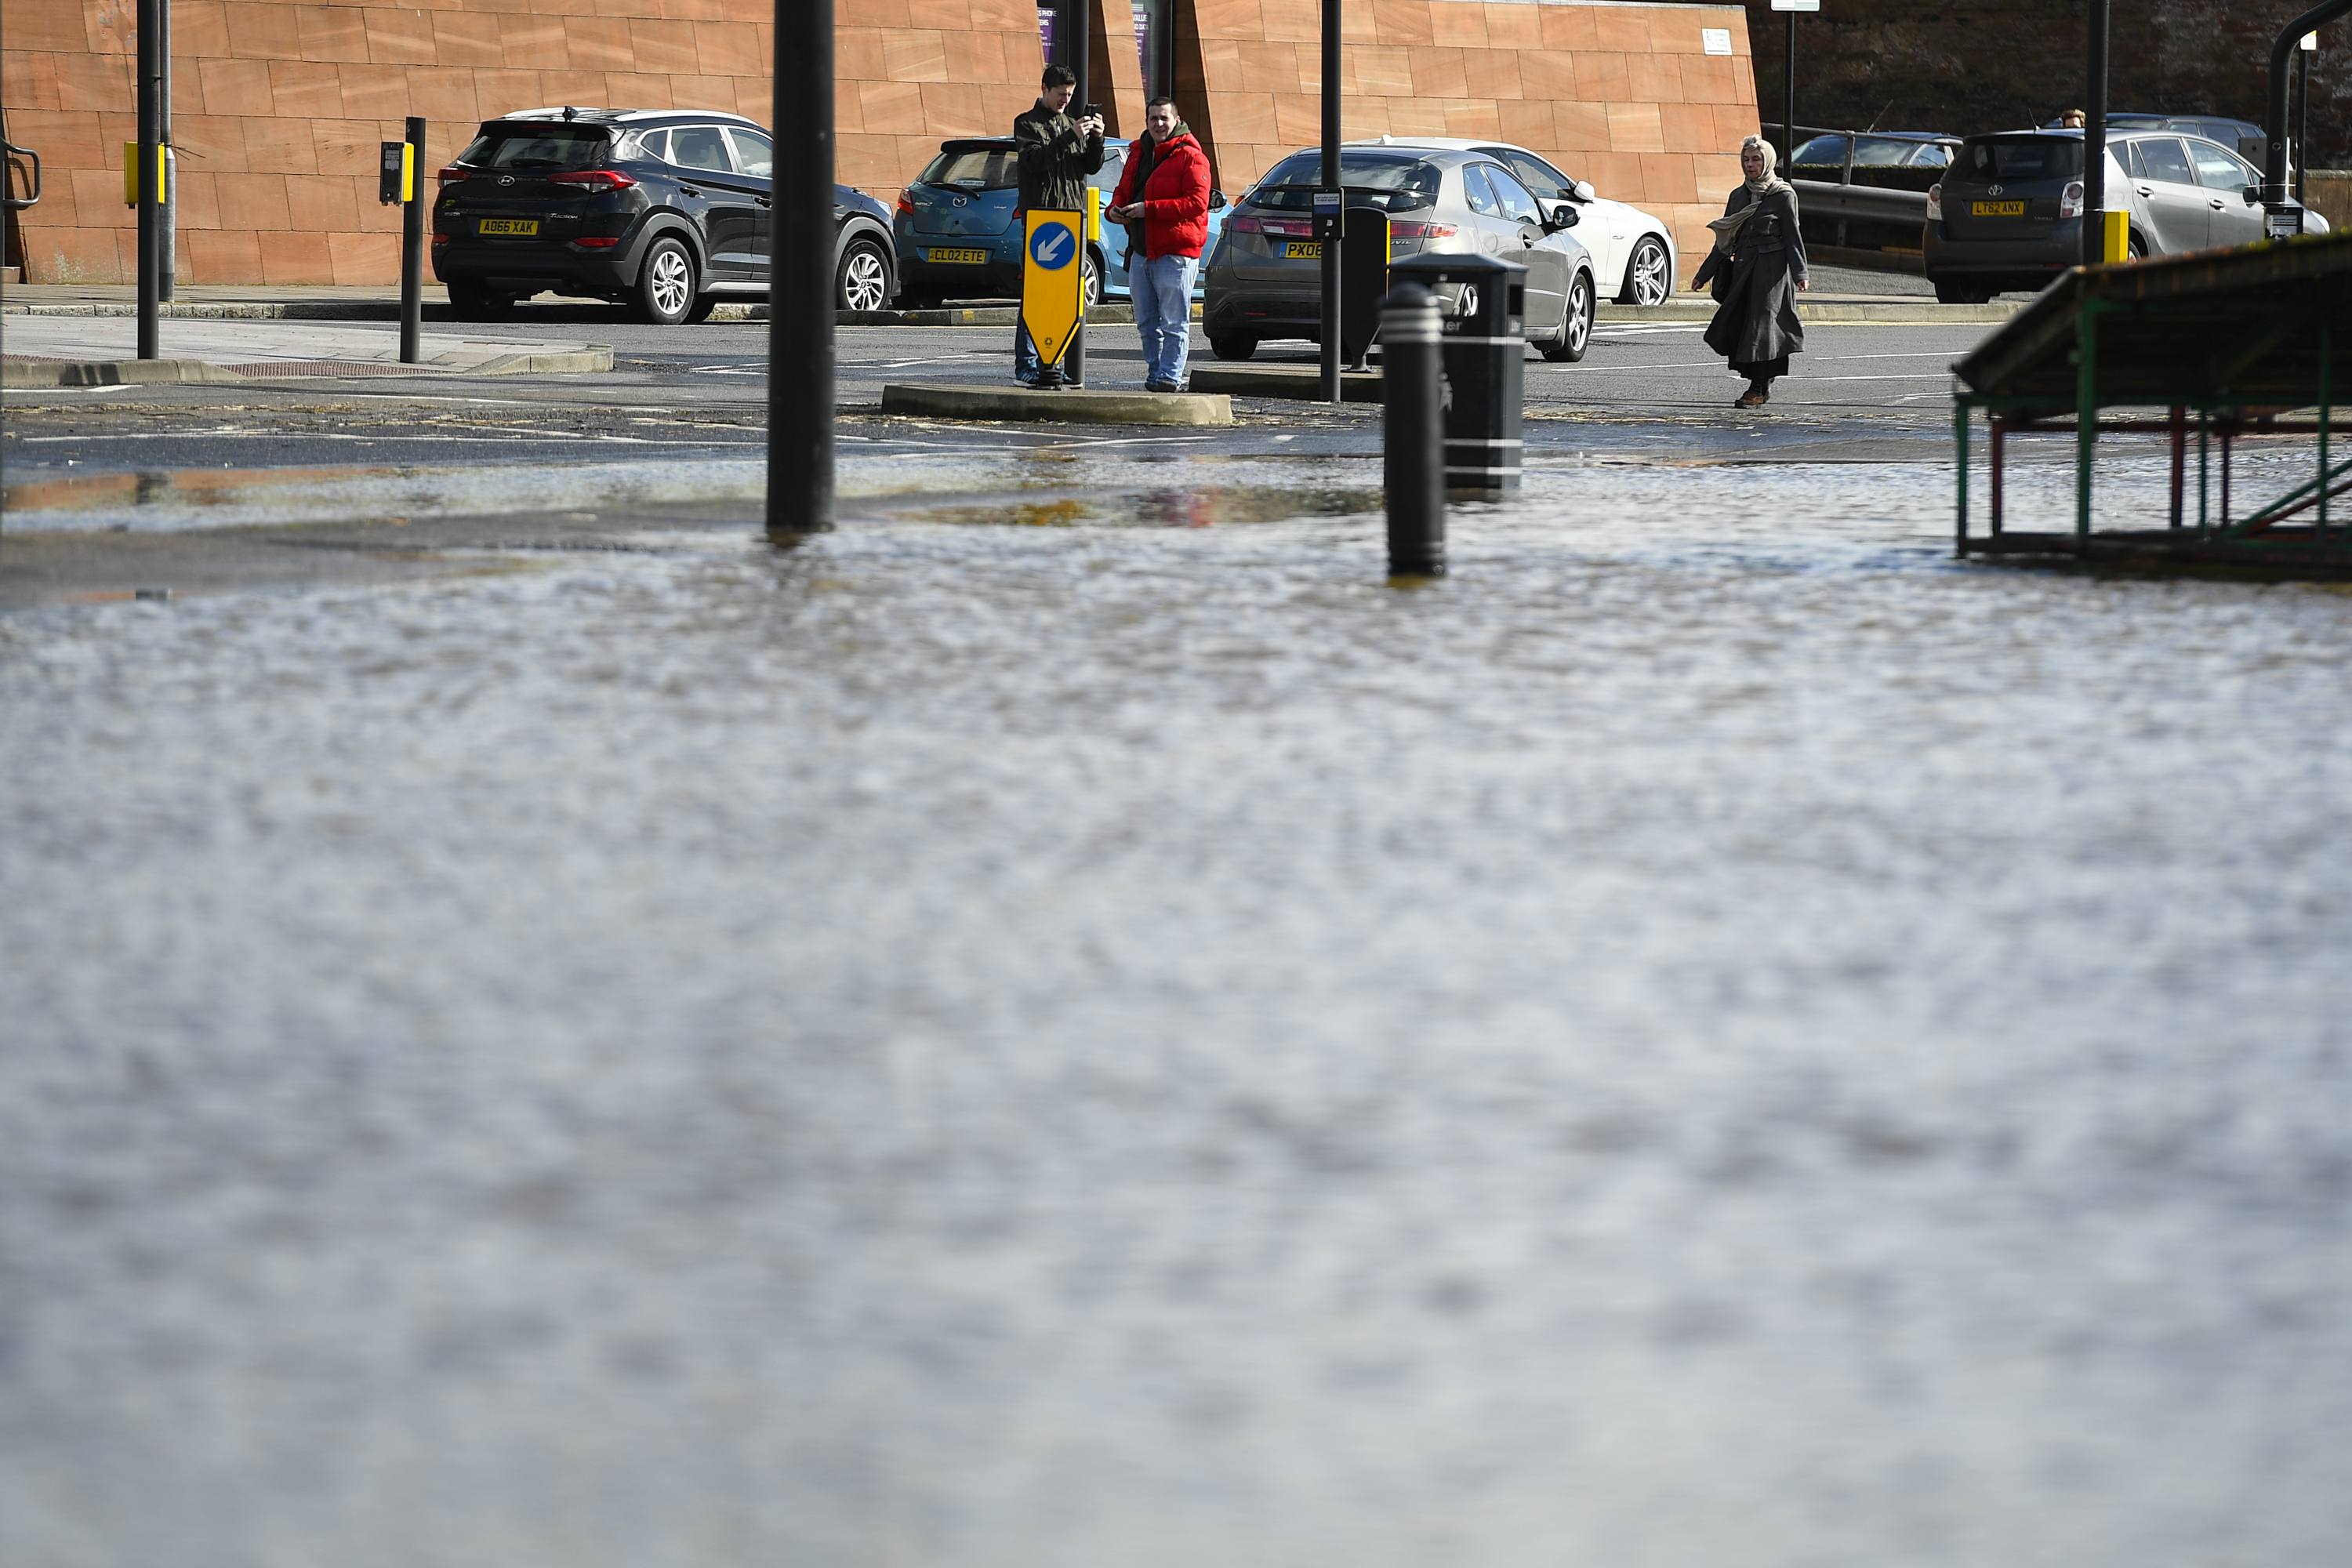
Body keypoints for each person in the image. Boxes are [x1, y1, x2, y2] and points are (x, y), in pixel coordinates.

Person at [1693, 134, 1809, 408]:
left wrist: (1800, 274)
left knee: (1763, 328)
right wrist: (1704, 273)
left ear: (1767, 161)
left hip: (1772, 273)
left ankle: (1758, 387)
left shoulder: (1783, 195)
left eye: (1756, 159)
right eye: (1746, 159)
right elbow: (1726, 239)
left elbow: (1794, 237)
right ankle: (1759, 382)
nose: (1750, 165)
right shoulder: (1738, 196)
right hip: (1743, 269)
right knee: (1742, 324)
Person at [1105, 96, 1211, 392]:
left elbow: (1196, 203)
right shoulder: (1138, 153)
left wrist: (1147, 209)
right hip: (1141, 251)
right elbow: (1122, 192)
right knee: (1147, 323)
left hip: (1175, 253)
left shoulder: (1192, 156)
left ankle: (1170, 377)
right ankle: (1156, 375)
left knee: (1174, 322)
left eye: (1164, 118)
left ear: (1176, 121)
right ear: (1147, 122)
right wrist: (1114, 211)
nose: (1159, 124)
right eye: (1153, 118)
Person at [1013, 64, 1105, 386]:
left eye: (1069, 95)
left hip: (1070, 218)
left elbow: (1091, 166)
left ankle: (1052, 363)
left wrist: (1096, 139)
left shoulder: (1072, 124)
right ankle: (1026, 366)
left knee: (1066, 296)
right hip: (1041, 218)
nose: (1065, 100)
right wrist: (1071, 136)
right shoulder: (1026, 123)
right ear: (1044, 89)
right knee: (1035, 295)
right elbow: (1035, 162)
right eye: (1060, 94)